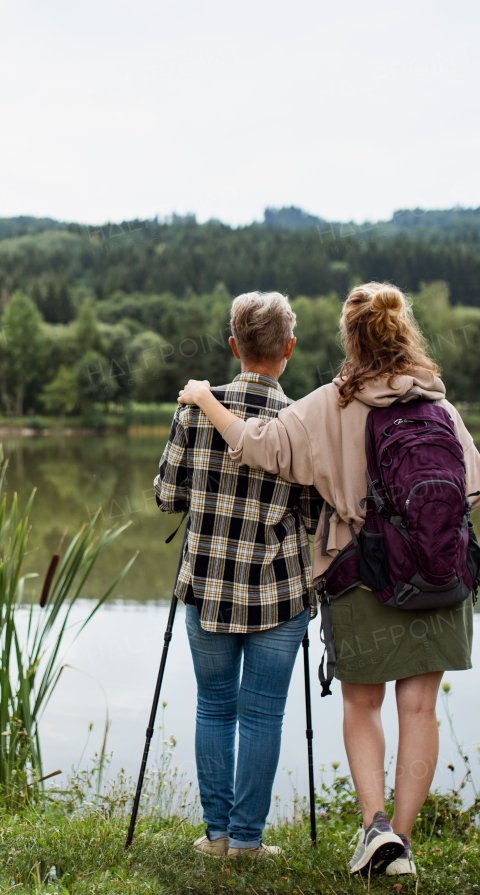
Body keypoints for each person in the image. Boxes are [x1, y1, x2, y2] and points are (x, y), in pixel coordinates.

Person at [177, 282, 480, 878]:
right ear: (405, 334)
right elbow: (477, 488)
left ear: (350, 337)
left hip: (362, 574)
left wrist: (204, 399)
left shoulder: (331, 403)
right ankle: (399, 842)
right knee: (420, 709)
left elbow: (254, 445)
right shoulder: (438, 404)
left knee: (363, 703)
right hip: (441, 575)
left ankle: (374, 830)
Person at [153, 291, 323, 859]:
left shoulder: (195, 410)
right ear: (289, 350)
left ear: (234, 346)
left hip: (206, 585)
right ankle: (249, 840)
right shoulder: (302, 421)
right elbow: (318, 512)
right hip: (280, 592)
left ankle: (217, 836)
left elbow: (166, 496)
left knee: (213, 707)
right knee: (262, 714)